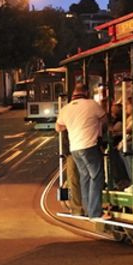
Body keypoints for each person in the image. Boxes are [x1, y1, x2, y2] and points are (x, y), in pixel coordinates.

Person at [56, 83, 108, 219]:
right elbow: (105, 119)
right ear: (86, 92)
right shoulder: (92, 104)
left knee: (84, 177)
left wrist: (72, 124)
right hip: (89, 146)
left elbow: (58, 127)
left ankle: (86, 209)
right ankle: (95, 212)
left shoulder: (65, 109)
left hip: (75, 148)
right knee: (96, 177)